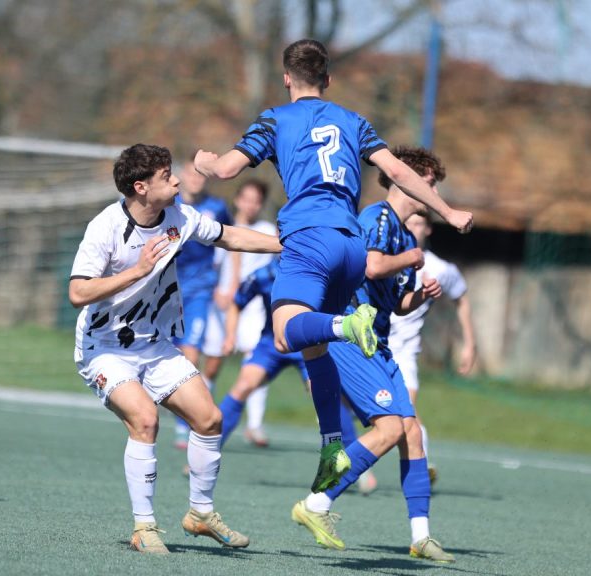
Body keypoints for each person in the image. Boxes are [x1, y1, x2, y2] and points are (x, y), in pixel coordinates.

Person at [194, 38, 473, 493]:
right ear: (327, 79)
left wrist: (204, 163)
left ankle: (347, 325)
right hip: (351, 246)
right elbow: (399, 173)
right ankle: (331, 447)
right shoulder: (353, 121)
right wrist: (449, 211)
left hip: (309, 238)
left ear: (287, 78)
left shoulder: (275, 119)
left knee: (286, 333)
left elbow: (227, 170)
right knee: (314, 350)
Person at [69, 144, 281, 554]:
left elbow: (229, 236)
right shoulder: (105, 227)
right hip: (104, 348)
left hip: (156, 345)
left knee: (210, 418)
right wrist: (138, 271)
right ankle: (143, 527)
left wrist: (285, 245)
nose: (178, 181)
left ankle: (200, 514)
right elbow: (78, 292)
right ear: (141, 187)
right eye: (167, 176)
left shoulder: (179, 216)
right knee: (145, 419)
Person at [291, 145, 455, 563]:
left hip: (378, 342)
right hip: (350, 336)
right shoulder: (377, 217)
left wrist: (421, 295)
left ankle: (421, 537)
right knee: (389, 429)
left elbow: (397, 304)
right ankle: (316, 503)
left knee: (411, 431)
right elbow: (372, 267)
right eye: (429, 183)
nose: (432, 192)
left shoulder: (405, 235)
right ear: (404, 180)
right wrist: (411, 258)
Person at [388, 208, 477, 484]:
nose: (413, 228)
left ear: (428, 229)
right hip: (370, 345)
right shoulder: (386, 257)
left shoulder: (440, 270)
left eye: (419, 224)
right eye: (409, 222)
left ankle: (421, 467)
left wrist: (469, 344)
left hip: (404, 351)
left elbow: (461, 298)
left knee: (406, 412)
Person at [171, 157, 232, 450]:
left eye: (200, 176)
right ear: (182, 176)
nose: (195, 180)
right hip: (167, 289)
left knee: (191, 357)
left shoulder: (217, 207)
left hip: (200, 291)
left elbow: (230, 242)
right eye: (191, 174)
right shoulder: (169, 203)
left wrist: (226, 284)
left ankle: (185, 424)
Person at [211, 180, 278, 447]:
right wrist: (218, 290)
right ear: (237, 199)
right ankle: (202, 416)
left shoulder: (267, 231)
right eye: (246, 198)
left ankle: (254, 425)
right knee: (213, 361)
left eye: (256, 200)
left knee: (255, 362)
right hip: (223, 304)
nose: (250, 205)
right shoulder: (221, 228)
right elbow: (214, 265)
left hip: (252, 306)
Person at [216, 259, 309, 448]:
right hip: (271, 344)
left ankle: (350, 458)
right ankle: (207, 452)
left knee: (323, 394)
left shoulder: (316, 270)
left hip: (309, 346)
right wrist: (230, 336)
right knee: (243, 387)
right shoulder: (264, 274)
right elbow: (236, 303)